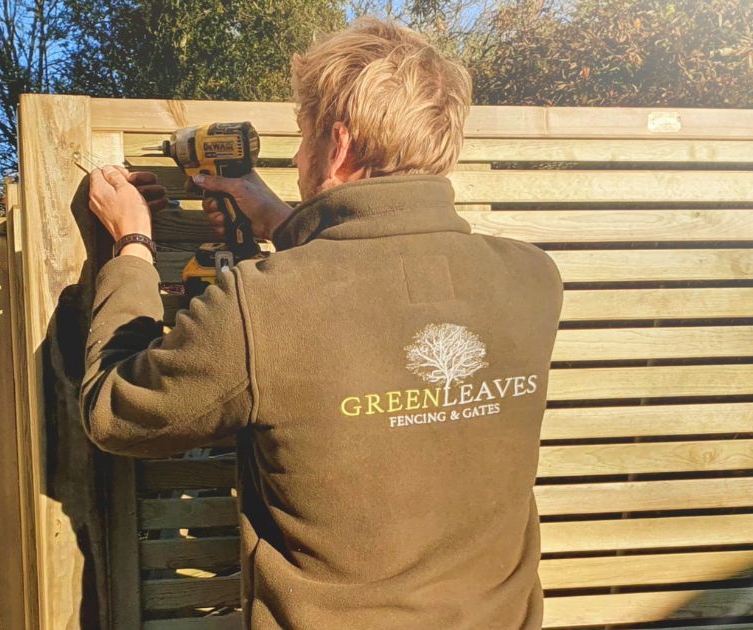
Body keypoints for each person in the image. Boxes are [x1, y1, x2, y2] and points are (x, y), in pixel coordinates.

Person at [83, 15, 563, 630]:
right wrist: (286, 223)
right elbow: (380, 288)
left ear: (336, 147)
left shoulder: (259, 304)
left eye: (305, 135)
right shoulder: (531, 279)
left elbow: (115, 411)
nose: (299, 153)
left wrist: (132, 245)